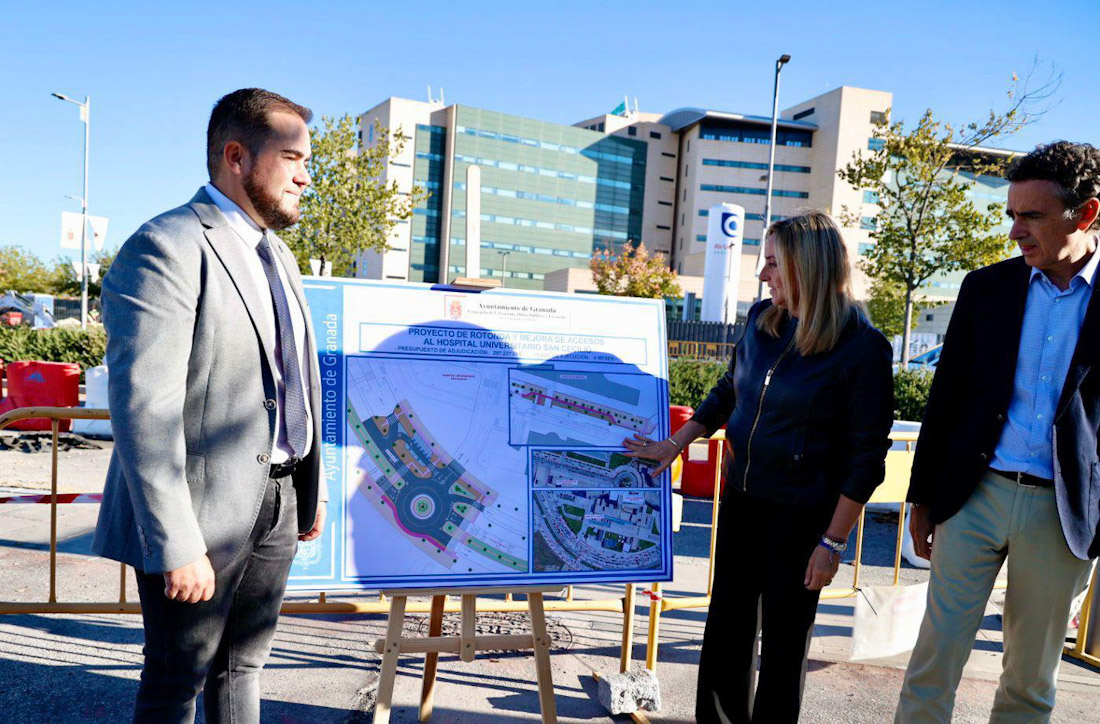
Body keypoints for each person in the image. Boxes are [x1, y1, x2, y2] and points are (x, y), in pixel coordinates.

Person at [92, 88, 327, 723]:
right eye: (294, 157)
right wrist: (175, 543)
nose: (307, 175)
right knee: (177, 678)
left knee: (244, 667)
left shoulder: (278, 254)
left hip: (276, 500)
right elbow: (145, 408)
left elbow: (294, 377)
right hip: (199, 513)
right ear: (236, 157)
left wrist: (311, 485)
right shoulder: (166, 246)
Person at [626, 211, 894, 723]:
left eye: (773, 263)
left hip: (806, 518)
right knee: (726, 630)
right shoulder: (761, 321)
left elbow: (867, 458)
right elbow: (729, 392)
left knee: (784, 648)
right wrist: (675, 443)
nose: (763, 274)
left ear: (807, 268)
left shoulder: (862, 349)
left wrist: (833, 542)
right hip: (744, 501)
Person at [897, 141, 1100, 723]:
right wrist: (924, 496)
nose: (1015, 231)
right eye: (1011, 215)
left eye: (1031, 216)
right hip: (972, 496)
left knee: (1029, 685)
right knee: (932, 663)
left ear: (1085, 214)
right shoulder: (986, 288)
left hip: (1063, 517)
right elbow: (948, 397)